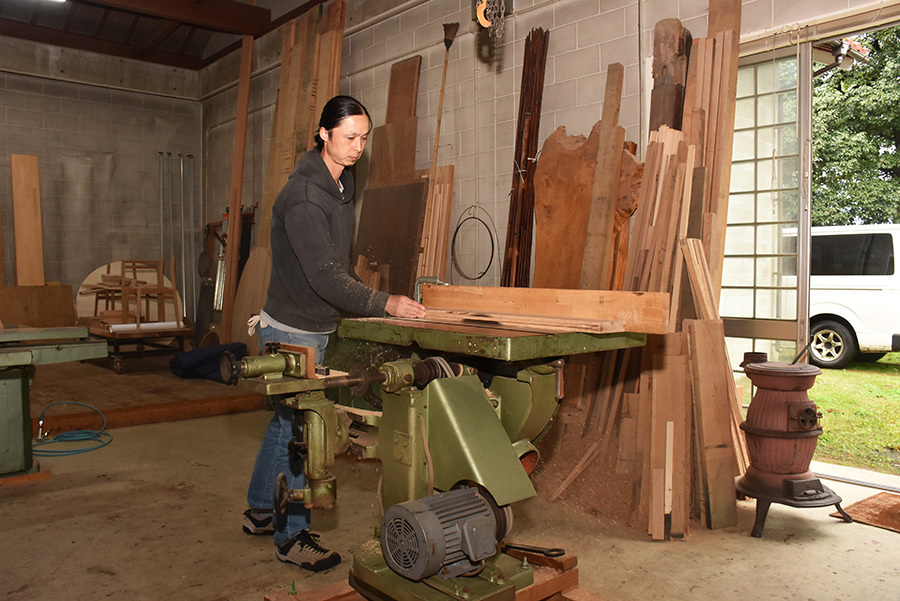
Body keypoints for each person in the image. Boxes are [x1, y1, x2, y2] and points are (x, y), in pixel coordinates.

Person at [242, 95, 425, 572]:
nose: (357, 147)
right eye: (348, 137)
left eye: (364, 138)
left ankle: (262, 510)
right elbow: (325, 275)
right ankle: (292, 536)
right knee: (305, 431)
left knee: (285, 423)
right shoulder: (304, 197)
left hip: (314, 324)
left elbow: (335, 265)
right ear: (323, 133)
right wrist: (386, 303)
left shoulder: (341, 183)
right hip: (289, 330)